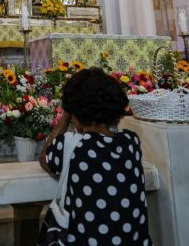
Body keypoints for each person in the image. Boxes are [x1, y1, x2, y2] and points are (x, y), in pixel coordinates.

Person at [39, 68, 152, 245]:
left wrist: (65, 118)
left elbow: (44, 158)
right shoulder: (131, 142)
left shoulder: (73, 145)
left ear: (75, 114)